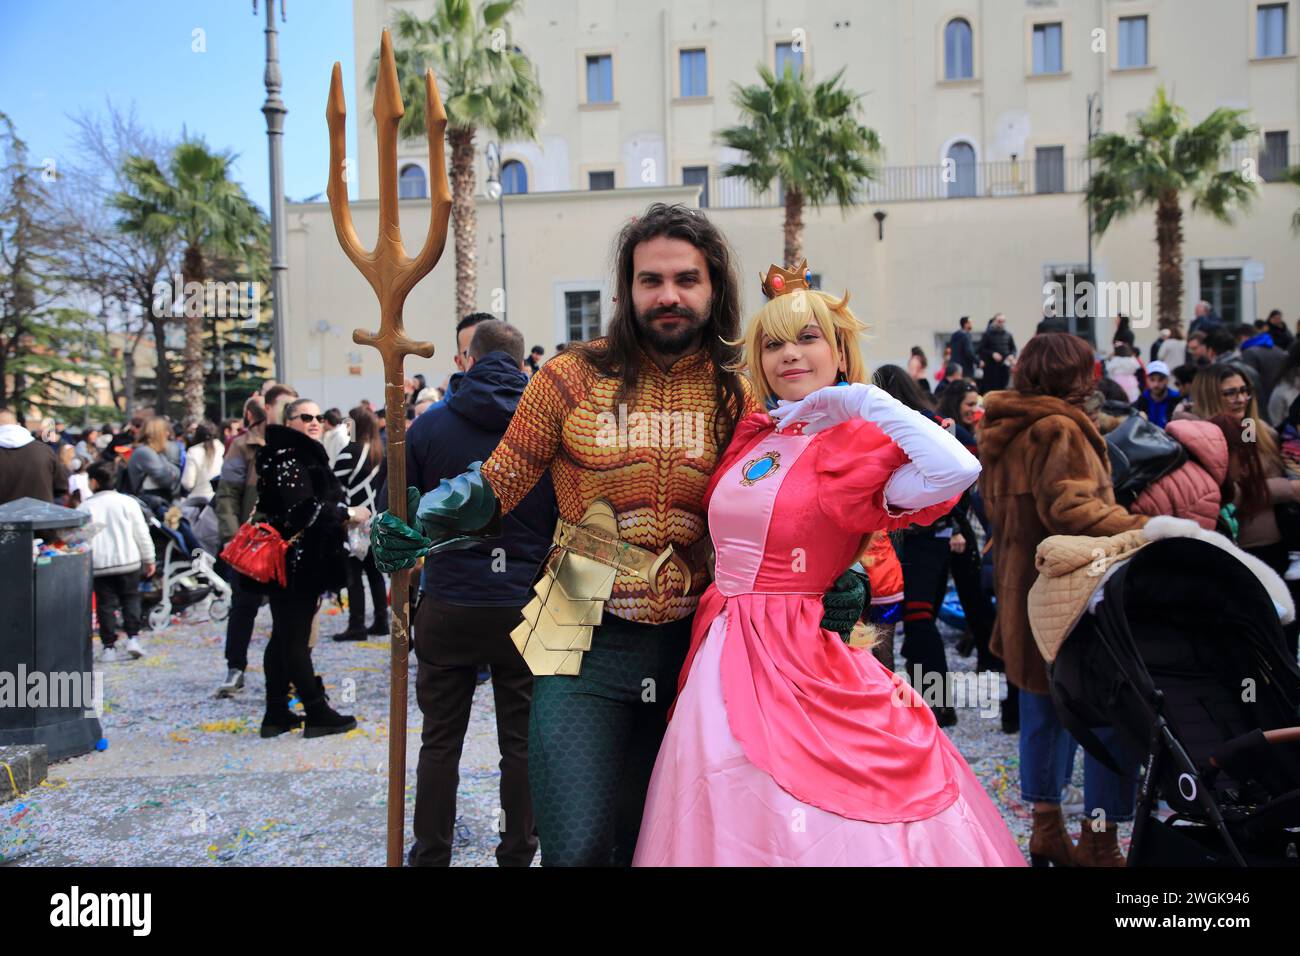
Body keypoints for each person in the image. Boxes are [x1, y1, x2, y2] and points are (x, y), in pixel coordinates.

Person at [374, 204, 771, 866]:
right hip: (579, 638)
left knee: (665, 844)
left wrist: (844, 576)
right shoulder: (567, 377)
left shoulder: (746, 389)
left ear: (714, 287)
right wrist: (428, 523)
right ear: (626, 291)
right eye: (651, 280)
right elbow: (498, 481)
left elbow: (793, 504)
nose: (668, 294)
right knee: (575, 847)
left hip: (703, 646)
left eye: (686, 278)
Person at [630, 270, 1022, 866]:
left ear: (838, 351)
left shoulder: (859, 440)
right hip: (722, 644)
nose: (789, 354)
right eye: (773, 343)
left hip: (804, 650)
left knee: (819, 806)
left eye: (808, 338)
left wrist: (864, 400)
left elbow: (956, 470)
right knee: (722, 789)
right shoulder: (754, 433)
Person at [978, 333, 1148, 866]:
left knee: (1043, 714)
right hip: (1070, 600)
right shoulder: (1057, 428)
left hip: (1021, 595)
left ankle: (1047, 830)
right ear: (1077, 376)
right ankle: (1100, 841)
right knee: (1106, 717)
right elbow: (1070, 511)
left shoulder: (1006, 428)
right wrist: (1146, 528)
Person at [400, 319, 555, 867]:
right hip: (524, 603)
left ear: (468, 358)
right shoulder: (546, 425)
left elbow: (400, 515)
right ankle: (517, 852)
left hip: (451, 599)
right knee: (521, 743)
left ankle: (431, 853)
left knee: (440, 740)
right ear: (521, 364)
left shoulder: (427, 427)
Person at [251, 398, 368, 738]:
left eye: (319, 416)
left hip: (297, 559)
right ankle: (316, 711)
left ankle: (275, 713)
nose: (315, 422)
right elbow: (303, 510)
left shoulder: (295, 454)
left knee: (283, 637)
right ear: (289, 421)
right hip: (296, 562)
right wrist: (347, 513)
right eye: (306, 417)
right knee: (294, 639)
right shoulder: (290, 457)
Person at [870, 365, 960, 727]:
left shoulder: (909, 426)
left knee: (918, 625)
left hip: (917, 543)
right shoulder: (932, 423)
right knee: (913, 628)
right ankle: (929, 704)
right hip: (927, 542)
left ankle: (934, 706)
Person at [1189, 366, 1300, 656]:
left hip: (1278, 546)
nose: (1240, 398)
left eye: (1243, 390)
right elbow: (1227, 495)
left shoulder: (1263, 431)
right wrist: (1288, 490)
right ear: (1211, 395)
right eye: (1230, 393)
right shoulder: (1202, 436)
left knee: (1284, 637)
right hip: (1237, 548)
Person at [213, 396, 269, 698]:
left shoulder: (296, 440)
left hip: (285, 541)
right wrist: (234, 539)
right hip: (250, 540)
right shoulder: (243, 445)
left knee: (293, 613)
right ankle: (236, 666)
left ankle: (291, 674)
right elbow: (227, 496)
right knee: (244, 606)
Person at [79, 461, 156, 662]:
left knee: (106, 605)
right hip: (128, 560)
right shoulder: (128, 502)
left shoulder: (86, 506)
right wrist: (149, 558)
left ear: (93, 482)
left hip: (100, 564)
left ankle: (109, 647)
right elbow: (141, 533)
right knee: (130, 599)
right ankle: (133, 638)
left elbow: (82, 538)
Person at [332, 405, 387, 641]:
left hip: (354, 520)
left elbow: (335, 487)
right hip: (376, 520)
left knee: (354, 575)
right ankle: (381, 620)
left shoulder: (349, 451)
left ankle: (356, 625)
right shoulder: (380, 451)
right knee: (375, 574)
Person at [125, 418, 182, 512]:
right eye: (165, 431)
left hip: (159, 502)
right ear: (158, 433)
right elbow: (166, 480)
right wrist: (172, 473)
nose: (168, 434)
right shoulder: (145, 452)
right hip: (151, 505)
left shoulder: (155, 452)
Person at [181, 420, 224, 500]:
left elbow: (188, 483)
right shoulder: (223, 448)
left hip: (198, 499)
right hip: (219, 498)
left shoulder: (193, 451)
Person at [1131, 360, 1180, 428]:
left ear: (1167, 380)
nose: (1156, 384)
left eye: (1160, 380)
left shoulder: (1177, 400)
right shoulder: (1141, 401)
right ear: (1147, 380)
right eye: (1152, 379)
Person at [978, 313, 1016, 393]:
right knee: (992, 389)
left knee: (1004, 388)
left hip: (1004, 367)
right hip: (991, 368)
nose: (1001, 323)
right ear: (994, 321)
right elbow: (981, 349)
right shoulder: (987, 334)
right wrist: (992, 354)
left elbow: (1013, 349)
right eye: (999, 321)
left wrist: (1011, 355)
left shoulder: (1008, 335)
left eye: (1003, 321)